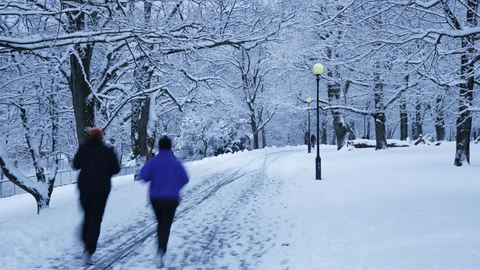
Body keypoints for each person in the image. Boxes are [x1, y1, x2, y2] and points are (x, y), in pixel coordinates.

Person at [139, 136, 189, 269]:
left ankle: (160, 248)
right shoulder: (176, 163)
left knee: (161, 223)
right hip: (171, 199)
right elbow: (185, 179)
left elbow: (143, 176)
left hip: (156, 199)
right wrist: (175, 186)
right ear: (170, 147)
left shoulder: (153, 162)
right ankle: (161, 251)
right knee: (165, 225)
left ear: (159, 147)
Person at [73, 127, 120, 265]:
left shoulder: (83, 149)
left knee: (87, 216)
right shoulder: (107, 151)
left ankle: (84, 237)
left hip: (84, 189)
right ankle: (89, 250)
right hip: (101, 190)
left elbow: (76, 165)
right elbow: (116, 169)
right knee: (95, 219)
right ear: (101, 137)